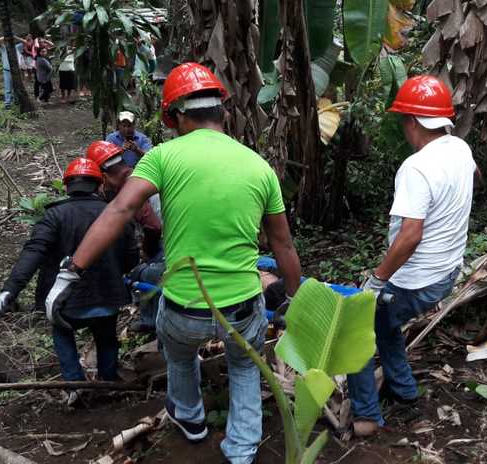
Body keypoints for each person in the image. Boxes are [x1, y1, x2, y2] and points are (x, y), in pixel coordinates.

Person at [46, 63, 302, 464]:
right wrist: (293, 296)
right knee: (244, 368)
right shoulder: (258, 165)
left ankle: (191, 418)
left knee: (180, 356)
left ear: (178, 116)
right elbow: (283, 244)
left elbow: (120, 209)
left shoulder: (162, 157)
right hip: (241, 308)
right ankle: (242, 449)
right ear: (222, 111)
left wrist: (71, 271)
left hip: (184, 306)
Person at [349, 75, 476, 437]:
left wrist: (376, 280)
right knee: (384, 322)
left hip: (417, 280)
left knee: (356, 327)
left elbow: (410, 236)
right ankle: (404, 390)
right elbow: (473, 176)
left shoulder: (416, 168)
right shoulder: (460, 149)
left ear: (413, 122)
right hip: (446, 272)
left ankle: (366, 417)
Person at [0, 157, 139, 406]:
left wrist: (10, 290)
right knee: (106, 337)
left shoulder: (54, 216)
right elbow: (131, 257)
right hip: (107, 295)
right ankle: (108, 380)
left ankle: (74, 385)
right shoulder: (114, 213)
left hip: (65, 300)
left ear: (66, 186)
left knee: (63, 334)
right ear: (99, 184)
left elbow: (34, 251)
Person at [85, 140, 163, 333]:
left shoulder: (131, 187)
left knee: (145, 273)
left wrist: (148, 252)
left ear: (103, 176)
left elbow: (153, 227)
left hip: (171, 238)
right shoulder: (134, 175)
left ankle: (153, 322)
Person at [0, 35, 25, 109]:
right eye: (8, 41)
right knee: (8, 88)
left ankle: (17, 101)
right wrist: (6, 35)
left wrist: (15, 37)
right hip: (7, 71)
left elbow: (26, 42)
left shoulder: (17, 47)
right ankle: (7, 104)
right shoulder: (4, 48)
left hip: (17, 70)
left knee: (17, 86)